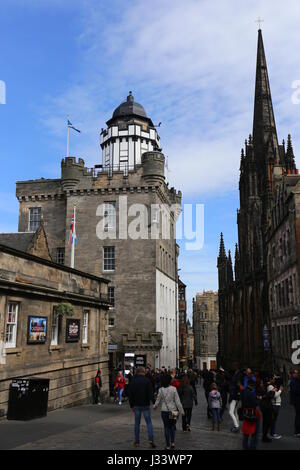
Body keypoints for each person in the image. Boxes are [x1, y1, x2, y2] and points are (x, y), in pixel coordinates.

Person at [154, 374, 184, 450]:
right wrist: (182, 411)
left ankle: (167, 445)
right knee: (172, 427)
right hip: (173, 410)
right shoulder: (174, 389)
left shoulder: (160, 389)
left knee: (166, 427)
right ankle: (173, 442)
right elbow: (178, 402)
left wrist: (155, 406)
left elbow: (158, 400)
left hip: (164, 410)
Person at [128, 367, 156, 448]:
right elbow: (150, 393)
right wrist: (153, 402)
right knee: (149, 423)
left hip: (136, 405)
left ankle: (137, 441)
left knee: (137, 423)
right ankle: (151, 438)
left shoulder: (133, 381)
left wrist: (131, 405)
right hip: (145, 405)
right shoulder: (147, 381)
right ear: (143, 372)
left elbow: (130, 394)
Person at [240, 378, 261, 450]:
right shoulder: (251, 393)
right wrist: (258, 399)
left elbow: (242, 401)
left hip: (245, 412)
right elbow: (254, 403)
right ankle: (253, 446)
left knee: (246, 432)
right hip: (252, 413)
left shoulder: (243, 392)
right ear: (252, 385)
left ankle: (245, 446)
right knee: (255, 432)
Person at [290, 369, 300, 437]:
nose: (297, 374)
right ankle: (297, 432)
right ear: (292, 374)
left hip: (298, 400)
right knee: (298, 416)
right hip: (297, 401)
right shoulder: (293, 381)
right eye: (295, 373)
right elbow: (296, 390)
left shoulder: (297, 380)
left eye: (297, 373)